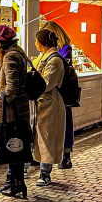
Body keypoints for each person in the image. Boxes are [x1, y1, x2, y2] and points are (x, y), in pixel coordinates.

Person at [0, 24, 30, 199]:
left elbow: (11, 88)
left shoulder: (11, 57)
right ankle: (13, 181)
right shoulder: (16, 53)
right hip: (18, 112)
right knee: (16, 148)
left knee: (13, 147)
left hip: (11, 113)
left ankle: (16, 183)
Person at [31, 29, 66, 186]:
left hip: (50, 103)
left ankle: (45, 173)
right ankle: (39, 168)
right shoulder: (42, 58)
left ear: (42, 42)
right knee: (38, 138)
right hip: (40, 103)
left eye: (37, 40)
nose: (35, 43)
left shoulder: (55, 60)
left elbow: (47, 83)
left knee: (47, 138)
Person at [40, 20, 74, 169]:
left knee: (64, 124)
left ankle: (65, 155)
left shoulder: (61, 52)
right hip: (55, 94)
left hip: (61, 93)